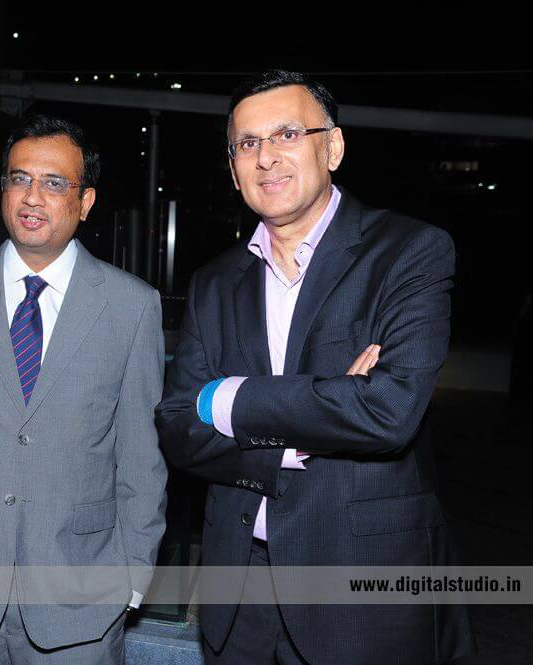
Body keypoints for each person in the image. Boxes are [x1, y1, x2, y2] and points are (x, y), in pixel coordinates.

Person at [156, 70, 474, 665]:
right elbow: (177, 425)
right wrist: (322, 412)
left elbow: (388, 412)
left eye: (286, 134)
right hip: (238, 586)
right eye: (247, 144)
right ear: (232, 168)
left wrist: (224, 399)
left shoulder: (408, 252)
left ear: (332, 146)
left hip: (357, 585)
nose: (266, 157)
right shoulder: (213, 281)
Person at [0, 114, 167, 664]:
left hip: (81, 598)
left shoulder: (131, 307)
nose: (33, 196)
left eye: (55, 183)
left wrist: (132, 578)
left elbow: (141, 459)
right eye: (19, 178)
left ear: (87, 200)